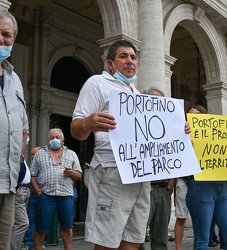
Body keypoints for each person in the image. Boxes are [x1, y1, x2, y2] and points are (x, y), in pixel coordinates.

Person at [71, 40, 190, 250]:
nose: (130, 61)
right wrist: (87, 123)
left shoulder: (137, 94)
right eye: (123, 56)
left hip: (141, 175)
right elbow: (76, 130)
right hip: (112, 172)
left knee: (133, 241)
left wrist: (178, 131)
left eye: (133, 57)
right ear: (110, 63)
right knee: (107, 242)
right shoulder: (97, 83)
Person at [186, 104, 227, 250]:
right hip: (200, 187)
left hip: (221, 189)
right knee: (202, 240)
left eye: (196, 115)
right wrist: (185, 147)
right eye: (189, 116)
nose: (192, 118)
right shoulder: (183, 136)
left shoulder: (217, 133)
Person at [0, 9, 29, 249]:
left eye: (7, 34)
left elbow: (24, 130)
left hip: (8, 185)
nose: (2, 39)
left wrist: (18, 163)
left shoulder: (15, 79)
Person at [30, 128, 82, 250]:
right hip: (46, 196)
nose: (54, 140)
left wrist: (72, 173)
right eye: (52, 137)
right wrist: (38, 192)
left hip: (66, 196)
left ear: (62, 140)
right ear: (48, 139)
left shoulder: (72, 154)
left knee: (66, 227)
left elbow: (79, 175)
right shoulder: (39, 154)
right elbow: (32, 175)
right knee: (40, 228)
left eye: (57, 137)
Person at [138, 87, 174, 250]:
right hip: (143, 187)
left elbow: (175, 155)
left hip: (163, 188)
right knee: (136, 235)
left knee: (160, 238)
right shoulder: (136, 124)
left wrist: (172, 178)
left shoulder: (170, 128)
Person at [11, 131, 31, 250]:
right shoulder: (15, 153)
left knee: (15, 224)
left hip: (25, 191)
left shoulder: (21, 154)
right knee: (23, 223)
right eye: (25, 134)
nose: (27, 136)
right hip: (18, 192)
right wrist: (16, 185)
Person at [23, 146, 45, 250]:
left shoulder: (46, 166)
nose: (33, 156)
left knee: (43, 220)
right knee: (30, 220)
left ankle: (42, 243)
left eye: (35, 154)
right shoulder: (28, 166)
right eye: (31, 154)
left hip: (44, 196)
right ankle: (28, 243)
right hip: (32, 196)